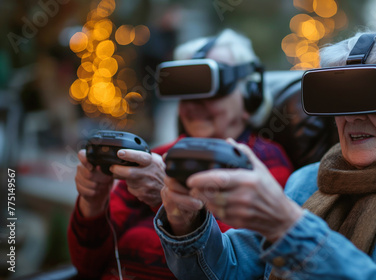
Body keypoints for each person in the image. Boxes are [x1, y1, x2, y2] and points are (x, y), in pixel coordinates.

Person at [154, 30, 376, 279]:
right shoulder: (308, 180)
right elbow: (231, 269)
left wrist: (288, 228)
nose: (352, 118)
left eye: (371, 98)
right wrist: (186, 222)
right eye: (337, 100)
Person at [67, 29, 293, 279]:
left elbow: (242, 264)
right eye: (184, 90)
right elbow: (87, 266)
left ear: (250, 97)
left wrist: (166, 199)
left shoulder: (264, 163)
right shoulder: (157, 158)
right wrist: (94, 202)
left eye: (209, 90)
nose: (192, 105)